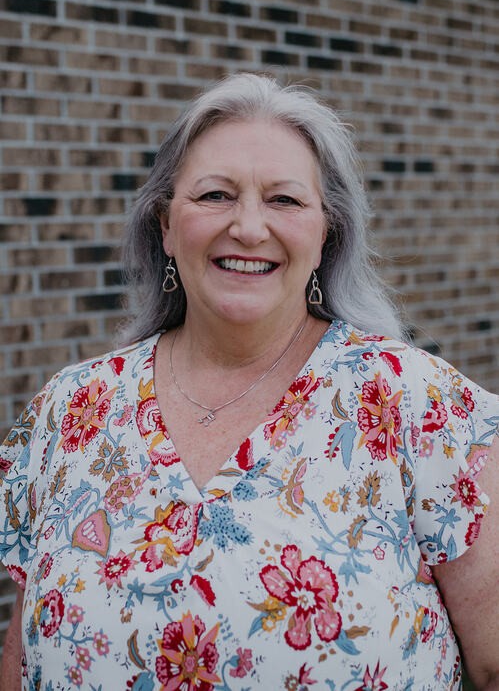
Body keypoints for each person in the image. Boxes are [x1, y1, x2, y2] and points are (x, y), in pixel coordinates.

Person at [0, 72, 497, 691]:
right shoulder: (69, 412)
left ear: (326, 233)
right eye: (215, 195)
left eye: (284, 200)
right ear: (165, 225)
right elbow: (22, 663)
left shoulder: (415, 405)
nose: (249, 228)